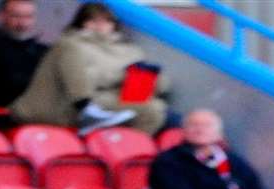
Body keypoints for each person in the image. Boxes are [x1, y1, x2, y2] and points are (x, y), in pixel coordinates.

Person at [10, 2, 171, 135]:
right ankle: (91, 115)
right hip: (71, 103)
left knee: (159, 109)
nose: (100, 26)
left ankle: (127, 153)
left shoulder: (131, 50)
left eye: (106, 21)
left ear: (114, 25)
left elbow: (162, 86)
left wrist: (152, 78)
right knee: (152, 109)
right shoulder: (70, 44)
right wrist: (122, 75)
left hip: (119, 97)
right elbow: (85, 80)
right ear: (81, 23)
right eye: (93, 21)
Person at [146, 109, 274, 189]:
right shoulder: (168, 161)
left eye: (207, 125)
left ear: (219, 133)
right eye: (194, 125)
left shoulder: (234, 160)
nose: (200, 130)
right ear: (183, 131)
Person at [0, 0, 48, 109]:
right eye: (16, 16)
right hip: (2, 114)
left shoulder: (43, 50)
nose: (23, 24)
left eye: (28, 17)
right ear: (1, 16)